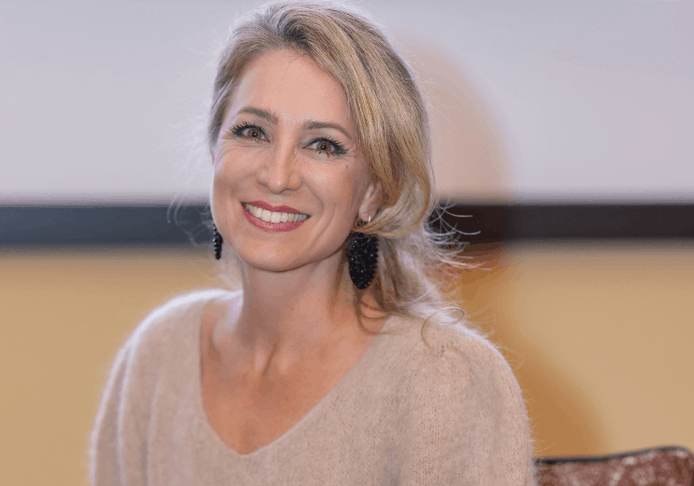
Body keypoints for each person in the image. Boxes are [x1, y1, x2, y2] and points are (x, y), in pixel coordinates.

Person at [89, 2, 535, 484]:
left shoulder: (445, 379)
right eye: (253, 132)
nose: (277, 176)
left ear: (375, 190)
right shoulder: (159, 352)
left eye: (323, 145)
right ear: (215, 149)